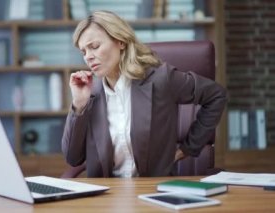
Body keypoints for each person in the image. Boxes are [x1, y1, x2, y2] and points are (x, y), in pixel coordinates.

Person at [61, 10, 227, 178]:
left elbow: (216, 95)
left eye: (94, 46)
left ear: (121, 42)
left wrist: (188, 148)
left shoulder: (161, 79)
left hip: (152, 191)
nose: (88, 57)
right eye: (84, 52)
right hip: (107, 194)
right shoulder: (91, 93)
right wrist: (79, 105)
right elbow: (73, 158)